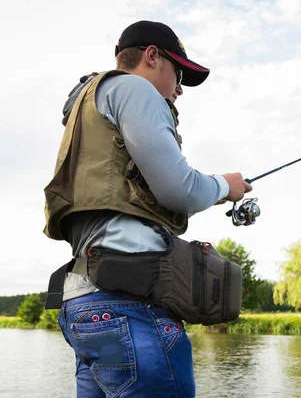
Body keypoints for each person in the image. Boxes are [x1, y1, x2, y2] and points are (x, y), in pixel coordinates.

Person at [43, 20, 252, 397]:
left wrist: (212, 193)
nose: (180, 89)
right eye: (179, 73)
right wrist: (226, 185)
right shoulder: (134, 88)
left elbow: (130, 187)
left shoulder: (89, 103)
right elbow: (179, 189)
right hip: (129, 309)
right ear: (152, 57)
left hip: (84, 308)